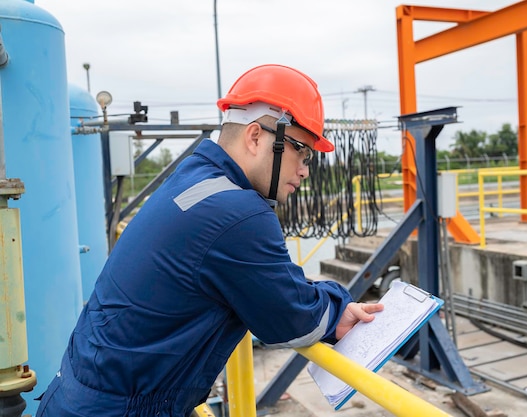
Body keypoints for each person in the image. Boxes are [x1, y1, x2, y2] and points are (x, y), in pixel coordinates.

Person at [35, 64, 384, 417]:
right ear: (255, 137)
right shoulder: (239, 211)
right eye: (301, 151)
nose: (306, 169)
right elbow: (293, 320)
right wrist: (338, 306)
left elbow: (255, 277)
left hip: (78, 394)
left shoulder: (192, 178)